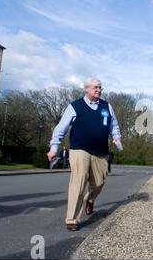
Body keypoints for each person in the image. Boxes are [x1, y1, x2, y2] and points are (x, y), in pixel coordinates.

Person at [47, 78, 122, 231]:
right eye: (95, 87)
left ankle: (90, 199)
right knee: (78, 181)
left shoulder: (106, 106)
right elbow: (61, 129)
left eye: (100, 88)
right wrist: (54, 148)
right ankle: (72, 219)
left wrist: (116, 136)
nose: (99, 90)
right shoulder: (75, 106)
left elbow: (113, 125)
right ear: (86, 89)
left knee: (99, 183)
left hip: (100, 151)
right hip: (79, 149)